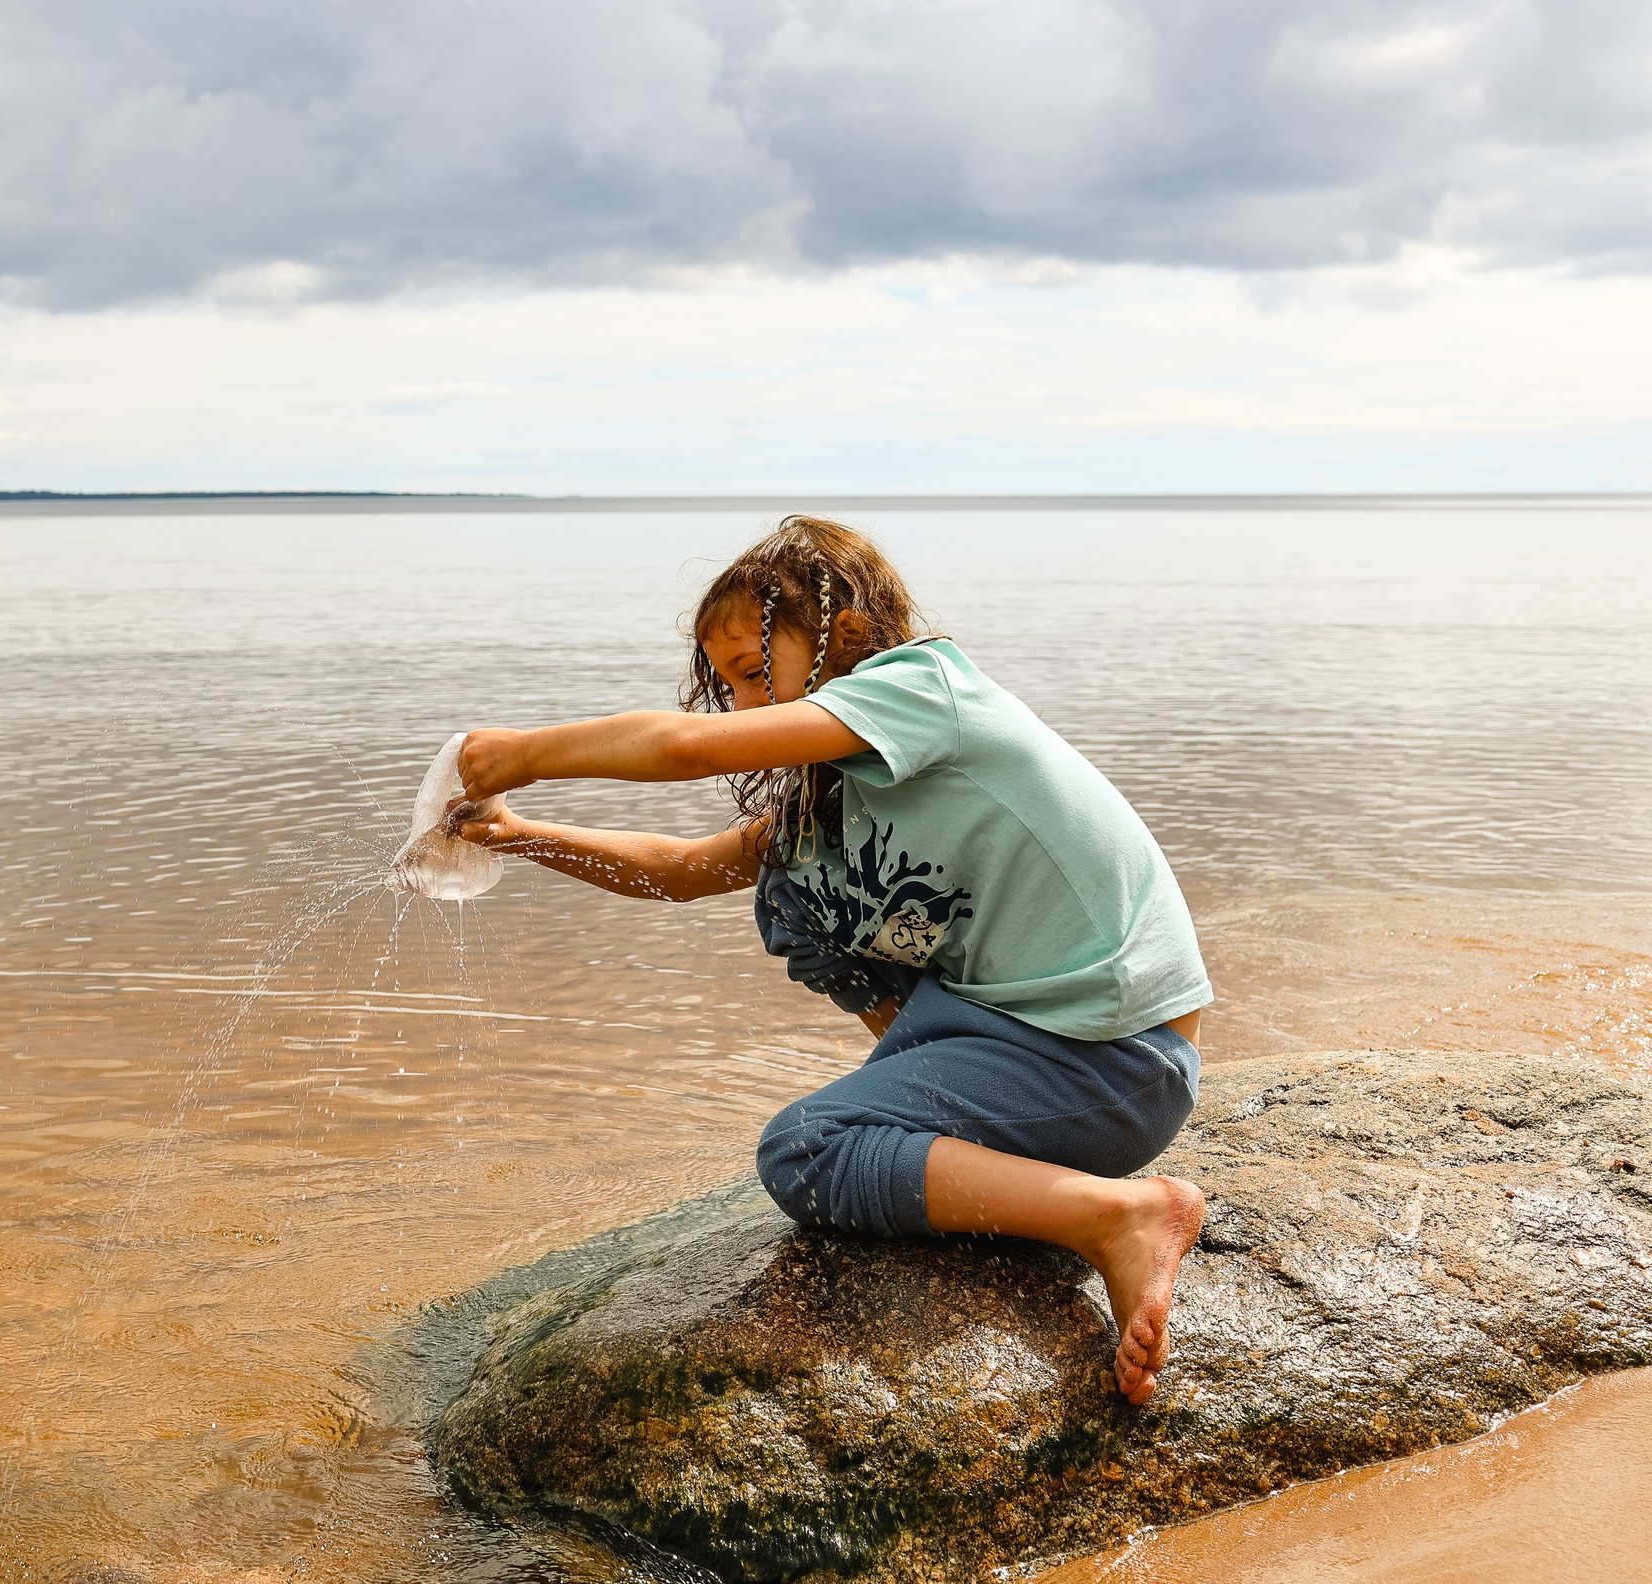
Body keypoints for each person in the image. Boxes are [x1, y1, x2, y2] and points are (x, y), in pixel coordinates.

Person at [446, 515, 1211, 1406]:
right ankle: (921, 1113)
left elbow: (687, 748)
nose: (739, 707)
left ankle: (1120, 1214)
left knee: (807, 1146)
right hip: (1010, 1028)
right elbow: (685, 871)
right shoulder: (836, 791)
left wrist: (521, 755)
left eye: (749, 669)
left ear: (838, 628)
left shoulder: (923, 687)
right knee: (789, 886)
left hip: (1117, 1055)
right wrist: (522, 835)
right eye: (724, 684)